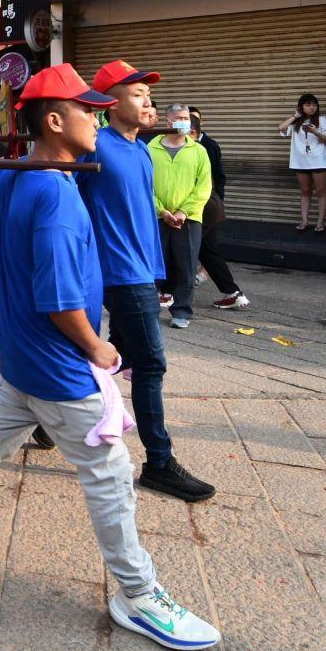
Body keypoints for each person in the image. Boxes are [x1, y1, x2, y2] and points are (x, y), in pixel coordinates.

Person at [0, 64, 220, 651]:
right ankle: (139, 594)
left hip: (19, 360)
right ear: (53, 120)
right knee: (111, 475)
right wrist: (100, 347)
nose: (96, 121)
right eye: (86, 112)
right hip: (59, 367)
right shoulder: (58, 196)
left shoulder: (10, 175)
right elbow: (61, 303)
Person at [82, 59, 215, 503]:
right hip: (120, 271)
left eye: (149, 96)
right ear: (109, 102)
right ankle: (159, 463)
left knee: (112, 357)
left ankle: (48, 424)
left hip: (142, 267)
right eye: (137, 94)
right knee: (150, 365)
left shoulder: (141, 147)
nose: (149, 102)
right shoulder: (95, 145)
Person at [149, 104, 212, 330]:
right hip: (157, 217)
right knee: (155, 264)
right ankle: (149, 308)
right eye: (179, 118)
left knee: (186, 267)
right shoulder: (151, 148)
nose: (184, 122)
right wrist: (161, 210)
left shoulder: (198, 151)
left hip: (189, 219)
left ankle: (182, 311)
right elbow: (144, 185)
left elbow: (204, 187)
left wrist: (183, 212)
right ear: (168, 122)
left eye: (186, 118)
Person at [187, 109, 247, 310]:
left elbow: (213, 179)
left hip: (204, 207)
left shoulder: (200, 149)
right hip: (208, 207)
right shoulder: (186, 147)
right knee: (208, 251)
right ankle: (233, 293)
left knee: (182, 247)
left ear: (193, 131)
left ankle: (169, 292)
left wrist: (217, 201)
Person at [279, 93, 326, 232]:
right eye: (308, 104)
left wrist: (316, 132)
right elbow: (281, 128)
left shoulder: (323, 120)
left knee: (321, 191)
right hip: (300, 162)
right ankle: (304, 221)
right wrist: (295, 116)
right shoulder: (296, 122)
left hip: (319, 160)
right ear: (301, 106)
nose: (312, 107)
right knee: (305, 191)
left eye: (314, 104)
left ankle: (320, 223)